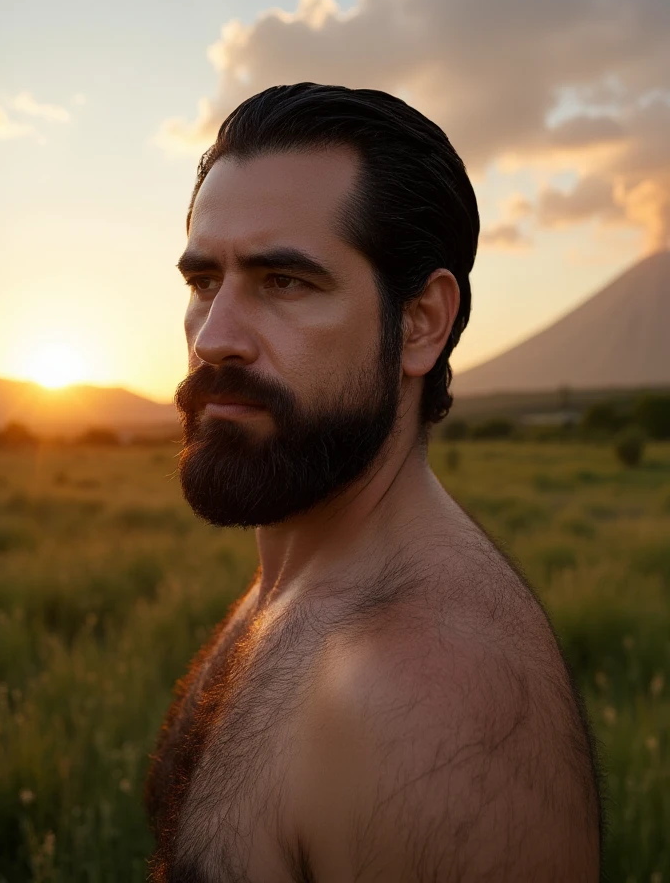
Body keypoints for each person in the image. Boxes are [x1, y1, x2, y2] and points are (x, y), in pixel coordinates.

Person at [145, 83, 603, 882]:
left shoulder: (430, 696)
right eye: (203, 282)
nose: (214, 339)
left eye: (283, 281)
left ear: (421, 322)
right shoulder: (298, 587)